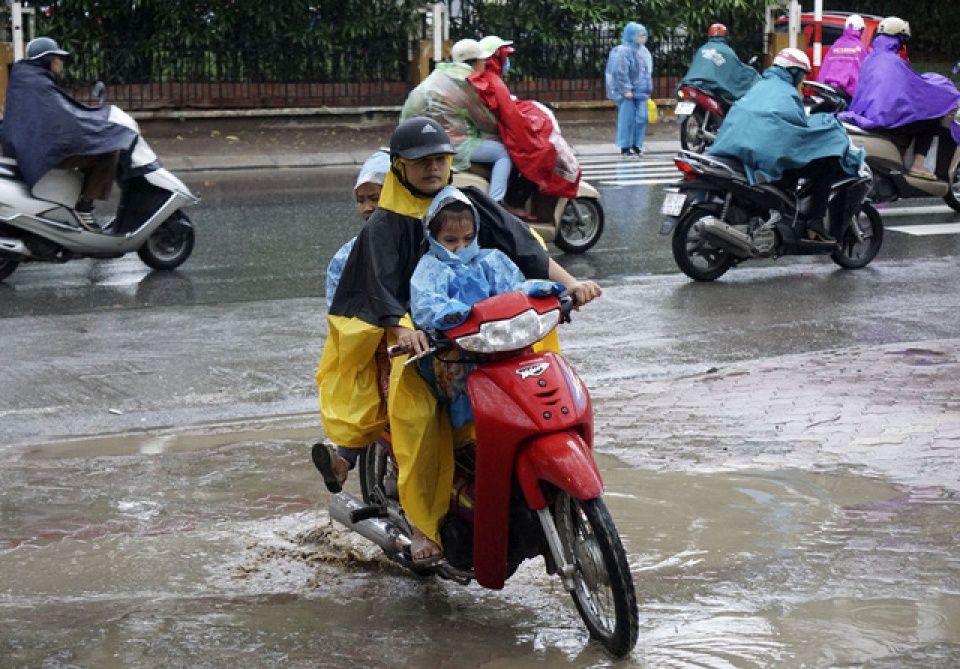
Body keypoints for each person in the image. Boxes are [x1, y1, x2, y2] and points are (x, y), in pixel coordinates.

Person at [314, 117, 601, 564]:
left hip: (484, 336)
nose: (432, 168)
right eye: (421, 161)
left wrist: (570, 286)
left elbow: (525, 252)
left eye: (440, 159)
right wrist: (403, 330)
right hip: (423, 348)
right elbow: (379, 291)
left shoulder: (472, 204)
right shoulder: (385, 226)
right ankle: (423, 525)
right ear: (399, 166)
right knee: (421, 418)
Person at [410, 185, 564, 449]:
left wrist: (540, 289)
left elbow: (514, 287)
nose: (461, 247)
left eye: (468, 238)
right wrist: (455, 314)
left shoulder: (491, 260)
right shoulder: (430, 268)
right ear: (433, 237)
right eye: (450, 240)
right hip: (455, 352)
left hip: (501, 345)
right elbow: (427, 306)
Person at [709, 48, 865, 243]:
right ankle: (815, 221)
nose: (800, 79)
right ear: (792, 71)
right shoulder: (788, 94)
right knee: (827, 166)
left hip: (737, 149)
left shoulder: (758, 86)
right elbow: (798, 131)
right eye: (801, 74)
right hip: (764, 154)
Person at [313, 150, 392, 493]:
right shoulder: (348, 256)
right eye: (361, 200)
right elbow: (340, 314)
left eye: (375, 197)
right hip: (382, 346)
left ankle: (344, 461)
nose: (367, 207)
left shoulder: (427, 237)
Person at [1, 37, 139, 231]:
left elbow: (60, 112)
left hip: (29, 148)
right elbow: (65, 117)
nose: (60, 62)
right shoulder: (38, 83)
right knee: (108, 153)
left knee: (91, 149)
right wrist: (97, 122)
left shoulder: (28, 79)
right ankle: (84, 208)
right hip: (39, 152)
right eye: (57, 57)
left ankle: (72, 204)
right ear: (47, 59)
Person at [469, 35, 581, 217]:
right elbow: (513, 118)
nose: (508, 62)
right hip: (499, 131)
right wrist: (535, 132)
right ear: (496, 58)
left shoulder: (488, 80)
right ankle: (514, 202)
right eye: (506, 57)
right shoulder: (493, 82)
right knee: (541, 153)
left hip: (494, 130)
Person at [839, 17, 960, 181]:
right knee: (930, 118)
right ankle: (918, 165)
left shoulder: (870, 59)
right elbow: (917, 89)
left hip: (864, 114)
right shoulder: (894, 62)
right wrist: (945, 93)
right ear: (898, 39)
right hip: (884, 120)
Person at [400, 38, 513, 203]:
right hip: (457, 143)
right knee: (503, 154)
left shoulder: (438, 75)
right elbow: (485, 121)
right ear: (475, 62)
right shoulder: (467, 82)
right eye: (482, 61)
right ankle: (496, 203)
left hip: (428, 140)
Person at [677, 23, 759, 104]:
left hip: (691, 84)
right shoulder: (727, 51)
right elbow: (736, 69)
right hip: (711, 87)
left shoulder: (702, 49)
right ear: (726, 36)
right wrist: (752, 73)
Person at [605, 22, 653, 158]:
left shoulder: (643, 51)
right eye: (640, 35)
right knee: (627, 119)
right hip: (628, 93)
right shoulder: (623, 51)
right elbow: (620, 71)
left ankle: (637, 144)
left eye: (644, 35)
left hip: (641, 92)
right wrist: (625, 89)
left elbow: (646, 71)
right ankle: (625, 146)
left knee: (642, 118)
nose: (643, 38)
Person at [815, 14, 869, 99]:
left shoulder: (835, 45)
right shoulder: (861, 48)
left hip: (828, 90)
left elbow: (824, 69)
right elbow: (864, 74)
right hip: (848, 94)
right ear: (861, 30)